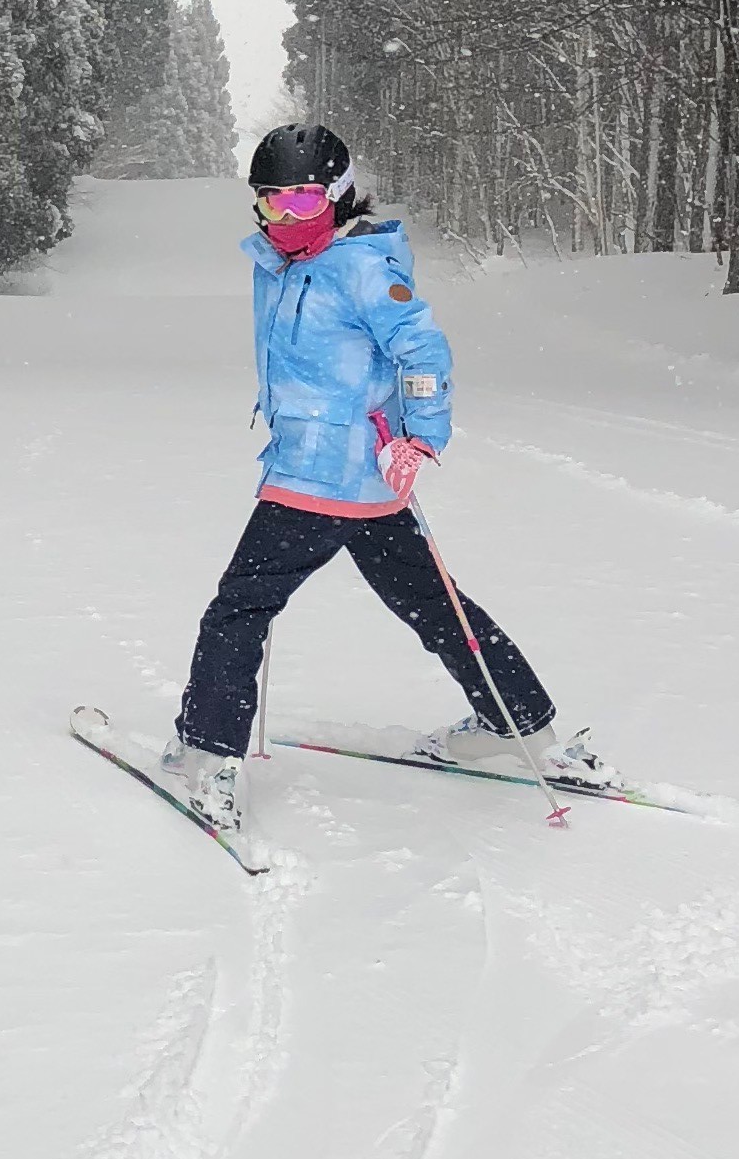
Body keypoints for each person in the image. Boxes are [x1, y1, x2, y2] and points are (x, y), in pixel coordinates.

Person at [159, 123, 601, 831]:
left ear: (336, 197)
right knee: (431, 602)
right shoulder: (278, 264)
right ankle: (516, 724)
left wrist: (422, 439)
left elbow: (423, 349)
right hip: (360, 485)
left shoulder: (362, 268)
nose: (283, 219)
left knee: (239, 608)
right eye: (270, 202)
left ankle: (210, 755)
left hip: (319, 476)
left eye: (302, 203)